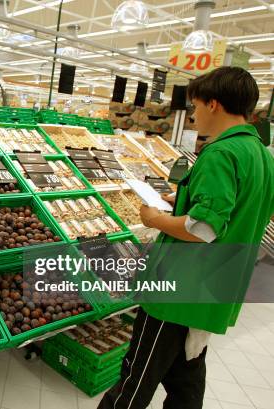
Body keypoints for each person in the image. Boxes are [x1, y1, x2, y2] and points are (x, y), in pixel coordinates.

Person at [98, 67, 274, 409]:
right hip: (217, 285)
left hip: (180, 289)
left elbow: (203, 229)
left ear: (214, 105)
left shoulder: (220, 154)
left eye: (195, 107)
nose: (192, 116)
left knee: (138, 376)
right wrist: (184, 203)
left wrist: (157, 219)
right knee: (186, 379)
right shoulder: (263, 156)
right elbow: (246, 210)